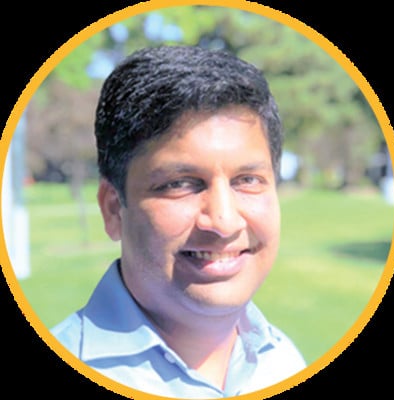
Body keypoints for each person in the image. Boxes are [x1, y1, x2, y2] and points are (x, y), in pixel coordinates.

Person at [51, 45, 306, 398]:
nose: (224, 222)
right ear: (113, 209)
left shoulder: (283, 362)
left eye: (247, 180)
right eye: (180, 184)